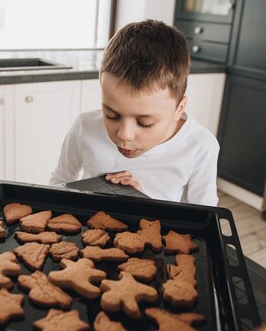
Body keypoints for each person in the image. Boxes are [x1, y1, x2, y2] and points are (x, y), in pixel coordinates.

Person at [49, 19, 219, 206]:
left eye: (145, 123)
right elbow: (59, 182)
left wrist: (141, 202)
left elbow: (200, 218)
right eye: (111, 115)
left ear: (179, 109)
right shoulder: (85, 126)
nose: (124, 135)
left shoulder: (201, 146)